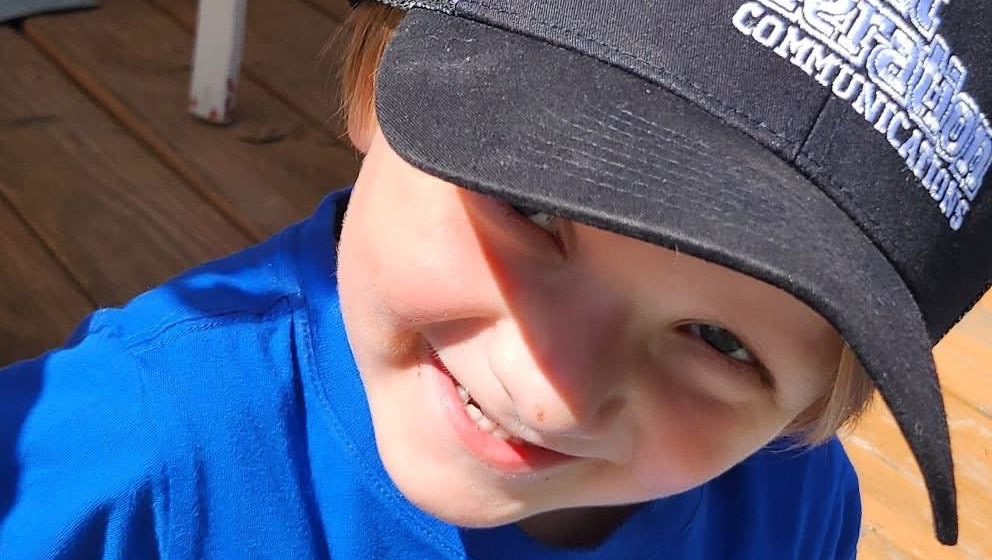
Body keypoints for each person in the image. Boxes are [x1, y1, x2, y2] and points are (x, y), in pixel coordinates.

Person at [2, 0, 988, 557]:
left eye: (719, 342)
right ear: (377, 81)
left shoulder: (786, 506)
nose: (554, 390)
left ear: (804, 407)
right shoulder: (106, 464)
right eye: (530, 208)